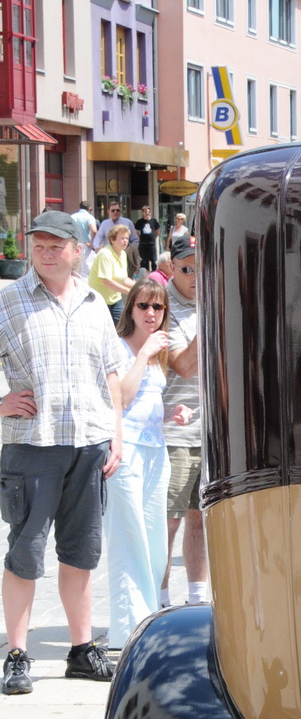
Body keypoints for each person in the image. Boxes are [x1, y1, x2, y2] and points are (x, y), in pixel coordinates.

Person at [0, 210, 122, 693]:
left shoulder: (95, 304)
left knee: (82, 555)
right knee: (25, 554)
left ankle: (81, 650)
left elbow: (111, 374)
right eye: (39, 245)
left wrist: (117, 435)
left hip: (90, 446)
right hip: (33, 445)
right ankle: (17, 655)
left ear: (77, 252)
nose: (46, 253)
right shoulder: (9, 302)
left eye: (56, 245)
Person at [105, 277, 187, 651]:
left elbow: (145, 406)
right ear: (130, 310)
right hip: (127, 452)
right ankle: (126, 630)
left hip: (155, 450)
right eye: (143, 306)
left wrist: (172, 413)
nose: (151, 314)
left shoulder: (158, 355)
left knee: (155, 541)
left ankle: (147, 620)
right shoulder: (121, 349)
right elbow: (120, 398)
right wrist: (142, 354)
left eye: (158, 308)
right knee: (130, 538)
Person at [159, 235, 208, 610]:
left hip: (209, 429)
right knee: (169, 521)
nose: (195, 275)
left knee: (200, 519)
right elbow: (184, 366)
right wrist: (209, 316)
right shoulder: (165, 307)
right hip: (173, 429)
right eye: (187, 268)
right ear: (172, 269)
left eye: (201, 266)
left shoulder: (213, 300)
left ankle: (196, 601)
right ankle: (158, 600)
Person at [88, 222, 134, 324]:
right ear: (112, 240)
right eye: (122, 238)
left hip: (115, 300)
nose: (125, 241)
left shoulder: (122, 254)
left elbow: (123, 279)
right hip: (99, 301)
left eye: (127, 238)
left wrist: (139, 287)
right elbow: (107, 281)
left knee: (123, 326)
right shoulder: (105, 254)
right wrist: (129, 292)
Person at [71, 199, 97, 275]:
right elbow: (94, 230)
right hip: (86, 245)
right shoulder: (89, 217)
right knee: (87, 270)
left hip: (74, 245)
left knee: (76, 269)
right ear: (89, 209)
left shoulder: (72, 217)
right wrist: (92, 243)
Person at [135, 204, 159, 272]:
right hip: (143, 244)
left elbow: (158, 231)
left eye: (148, 212)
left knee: (154, 260)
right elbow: (136, 231)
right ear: (143, 213)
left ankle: (154, 274)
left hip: (152, 244)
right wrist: (139, 238)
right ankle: (145, 276)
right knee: (144, 261)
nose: (147, 213)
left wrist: (154, 237)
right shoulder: (140, 221)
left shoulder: (154, 221)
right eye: (145, 212)